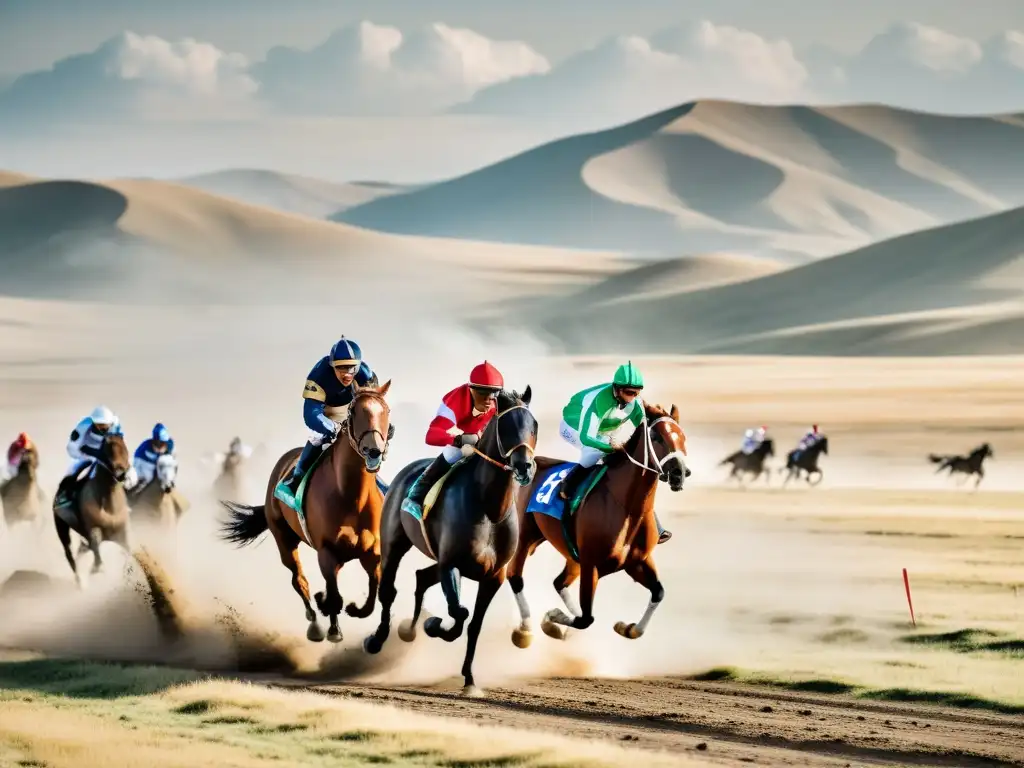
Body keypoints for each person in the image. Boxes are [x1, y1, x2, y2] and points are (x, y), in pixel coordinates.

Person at [558, 361, 671, 544]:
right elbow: (587, 437)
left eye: (637, 393)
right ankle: (568, 485)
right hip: (574, 427)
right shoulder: (599, 401)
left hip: (603, 429)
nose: (633, 397)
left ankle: (654, 524)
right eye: (629, 393)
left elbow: (643, 433)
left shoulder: (634, 403)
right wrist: (613, 449)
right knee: (595, 452)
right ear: (617, 389)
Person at [277, 336, 378, 497]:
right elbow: (311, 413)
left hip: (354, 411)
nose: (347, 374)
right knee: (318, 437)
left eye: (351, 368)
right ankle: (297, 478)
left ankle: (377, 482)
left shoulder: (366, 375)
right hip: (327, 412)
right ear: (332, 366)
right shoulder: (319, 375)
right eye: (341, 368)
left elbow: (373, 405)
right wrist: (331, 427)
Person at [400, 361, 504, 518]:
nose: (489, 400)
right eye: (483, 393)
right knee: (453, 453)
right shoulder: (455, 402)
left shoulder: (499, 402)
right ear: (471, 390)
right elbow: (431, 435)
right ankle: (416, 496)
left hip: (483, 435)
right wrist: (458, 439)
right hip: (463, 436)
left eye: (493, 393)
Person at [54, 405, 136, 506]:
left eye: (105, 424)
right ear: (93, 422)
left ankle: (129, 502)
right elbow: (72, 447)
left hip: (108, 456)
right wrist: (86, 454)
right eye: (99, 424)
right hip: (87, 455)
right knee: (72, 470)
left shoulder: (116, 424)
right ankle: (63, 497)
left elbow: (121, 444)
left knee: (131, 474)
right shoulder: (83, 426)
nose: (103, 427)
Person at [133, 423, 176, 488]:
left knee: (166, 461)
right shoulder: (145, 446)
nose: (161, 446)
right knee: (148, 476)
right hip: (147, 466)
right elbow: (137, 460)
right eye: (159, 443)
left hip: (160, 467)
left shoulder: (170, 444)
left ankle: (168, 483)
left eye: (163, 443)